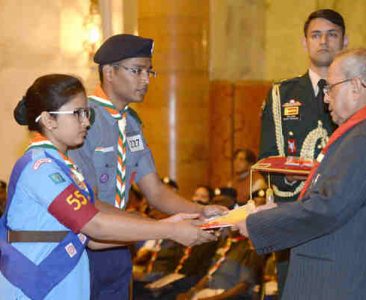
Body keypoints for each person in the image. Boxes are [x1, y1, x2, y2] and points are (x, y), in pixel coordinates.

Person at [0, 74, 216, 299]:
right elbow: (95, 226)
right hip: (34, 288)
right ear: (48, 120)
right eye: (78, 114)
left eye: (87, 112)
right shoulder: (40, 168)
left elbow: (92, 239)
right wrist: (170, 230)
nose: (87, 122)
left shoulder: (64, 166)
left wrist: (169, 224)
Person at [68, 34, 226, 299]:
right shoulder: (83, 120)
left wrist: (201, 212)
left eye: (149, 71)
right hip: (84, 245)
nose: (145, 80)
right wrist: (160, 228)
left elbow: (155, 192)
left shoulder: (131, 123)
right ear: (109, 72)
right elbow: (89, 200)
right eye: (137, 70)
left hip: (119, 244)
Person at [236, 48, 366, 299]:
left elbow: (328, 208)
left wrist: (258, 224)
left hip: (344, 285)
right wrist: (277, 211)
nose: (325, 99)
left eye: (330, 88)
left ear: (356, 86)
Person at [258, 9, 348, 294]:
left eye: (332, 35)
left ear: (344, 41)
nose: (324, 42)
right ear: (305, 42)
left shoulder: (358, 93)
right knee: (294, 289)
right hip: (293, 212)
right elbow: (268, 156)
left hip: (343, 213)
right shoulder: (280, 95)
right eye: (316, 35)